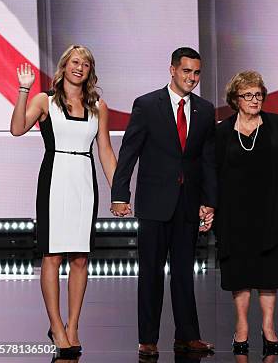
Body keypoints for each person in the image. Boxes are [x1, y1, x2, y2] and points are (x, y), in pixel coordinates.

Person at [10, 45, 117, 358]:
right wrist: (23, 90)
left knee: (81, 258)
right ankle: (56, 325)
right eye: (74, 62)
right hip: (55, 180)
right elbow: (17, 129)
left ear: (89, 71)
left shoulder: (98, 105)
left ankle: (73, 326)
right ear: (64, 66)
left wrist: (118, 191)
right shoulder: (46, 100)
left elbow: (106, 152)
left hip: (84, 182)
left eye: (85, 64)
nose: (79, 68)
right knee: (53, 256)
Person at [110, 47, 217, 358]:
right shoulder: (146, 105)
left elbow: (207, 160)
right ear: (172, 70)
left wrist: (209, 201)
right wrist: (120, 194)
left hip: (188, 203)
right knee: (151, 273)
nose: (192, 78)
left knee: (184, 272)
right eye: (186, 71)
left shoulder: (206, 110)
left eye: (197, 73)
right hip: (155, 203)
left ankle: (188, 336)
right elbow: (129, 152)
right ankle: (148, 338)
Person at [215, 71, 278, 355]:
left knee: (268, 272)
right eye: (248, 95)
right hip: (234, 214)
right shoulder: (222, 131)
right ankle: (242, 326)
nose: (254, 100)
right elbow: (213, 172)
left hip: (270, 210)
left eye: (258, 94)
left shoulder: (275, 124)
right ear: (235, 99)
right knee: (239, 272)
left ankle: (269, 327)